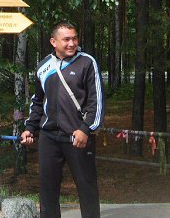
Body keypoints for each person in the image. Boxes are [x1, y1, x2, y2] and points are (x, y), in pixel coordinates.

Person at [21, 22, 104, 218]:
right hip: (49, 137)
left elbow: (96, 102)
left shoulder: (87, 63)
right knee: (47, 188)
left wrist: (85, 129)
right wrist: (30, 127)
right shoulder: (43, 66)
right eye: (66, 39)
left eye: (74, 38)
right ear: (53, 41)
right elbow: (38, 101)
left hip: (78, 137)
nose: (72, 43)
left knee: (86, 186)